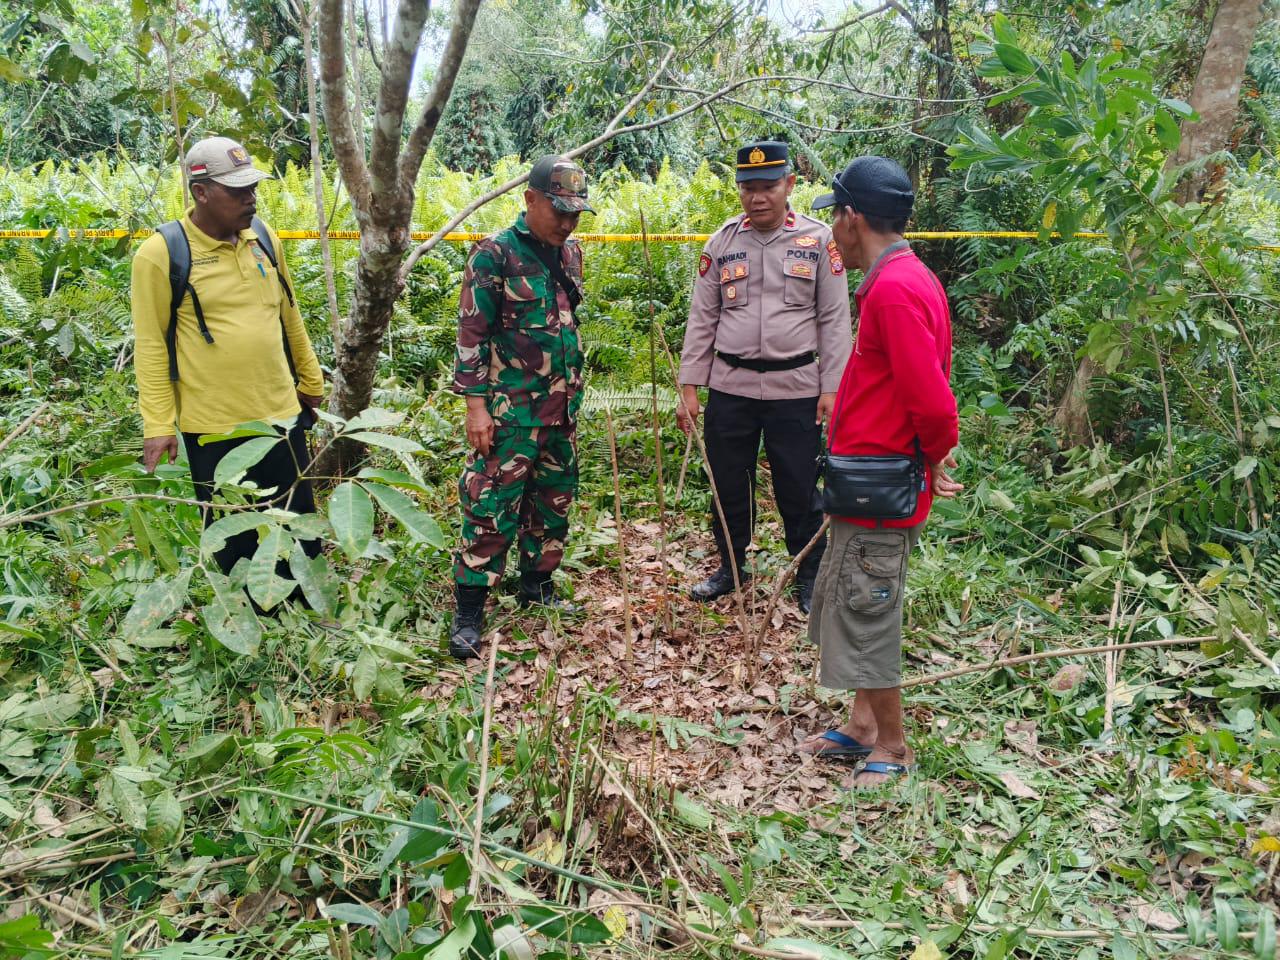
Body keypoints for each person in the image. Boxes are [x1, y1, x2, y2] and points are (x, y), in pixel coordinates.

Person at [799, 156, 962, 788]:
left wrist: (935, 452)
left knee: (867, 607)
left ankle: (892, 746)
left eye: (834, 217)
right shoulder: (904, 278)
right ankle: (863, 724)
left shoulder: (894, 290)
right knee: (853, 596)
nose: (833, 231)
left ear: (852, 217)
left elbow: (933, 402)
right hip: (869, 482)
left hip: (879, 488)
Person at [131, 136, 326, 595]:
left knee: (297, 522)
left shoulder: (263, 237)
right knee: (235, 534)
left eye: (252, 188)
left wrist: (310, 379)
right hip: (216, 426)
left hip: (280, 414)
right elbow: (151, 345)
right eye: (237, 191)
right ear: (201, 192)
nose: (250, 198)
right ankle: (251, 622)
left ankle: (305, 614)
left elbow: (288, 314)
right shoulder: (161, 255)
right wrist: (157, 423)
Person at [676, 141, 852, 614]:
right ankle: (731, 567)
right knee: (729, 484)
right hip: (730, 388)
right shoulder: (722, 242)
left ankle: (806, 574)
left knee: (797, 486)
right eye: (748, 188)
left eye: (768, 187)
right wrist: (689, 388)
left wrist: (833, 389)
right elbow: (702, 319)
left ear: (789, 185)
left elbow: (835, 321)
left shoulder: (818, 242)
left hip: (795, 389)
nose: (757, 198)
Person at [449, 156, 594, 660]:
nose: (568, 222)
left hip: (561, 410)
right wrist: (476, 408)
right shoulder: (494, 255)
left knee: (552, 503)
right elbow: (472, 335)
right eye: (559, 210)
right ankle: (470, 608)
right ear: (530, 200)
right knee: (490, 508)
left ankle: (537, 585)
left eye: (575, 212)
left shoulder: (570, 254)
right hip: (509, 414)